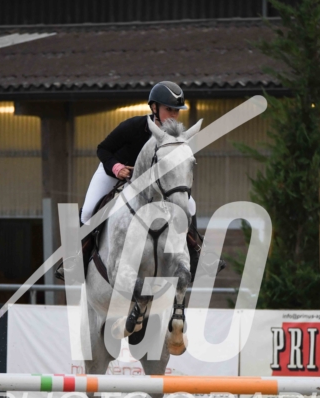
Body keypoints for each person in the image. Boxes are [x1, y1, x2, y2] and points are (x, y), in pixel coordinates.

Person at [56, 81, 212, 281]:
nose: (173, 115)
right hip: (115, 174)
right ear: (154, 108)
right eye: (169, 109)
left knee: (190, 205)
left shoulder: (176, 138)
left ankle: (196, 253)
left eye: (176, 111)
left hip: (150, 184)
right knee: (88, 211)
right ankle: (75, 262)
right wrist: (117, 167)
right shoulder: (134, 127)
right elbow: (103, 149)